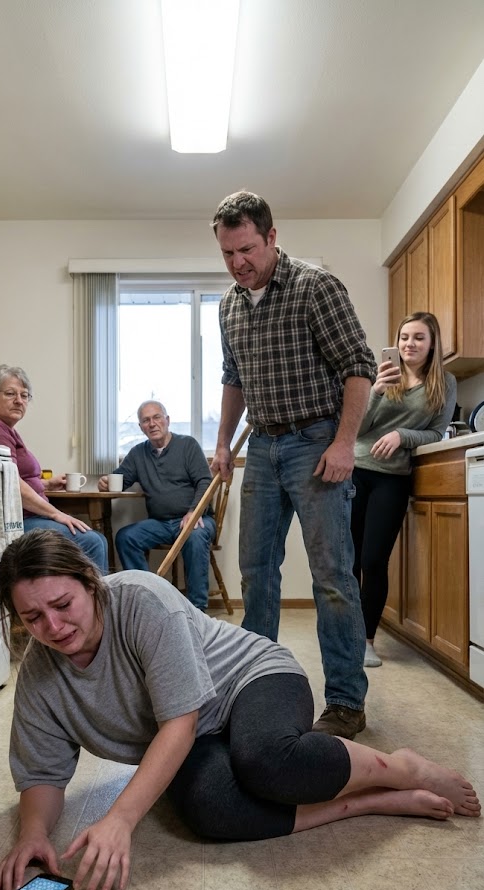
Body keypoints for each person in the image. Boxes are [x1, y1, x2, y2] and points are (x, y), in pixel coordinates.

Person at [0, 531, 480, 890]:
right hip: (193, 731)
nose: (53, 626)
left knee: (268, 760)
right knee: (211, 810)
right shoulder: (40, 673)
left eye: (63, 604)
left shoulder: (141, 601)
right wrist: (34, 835)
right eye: (32, 618)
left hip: (250, 679)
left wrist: (120, 820)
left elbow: (179, 722)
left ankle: (401, 768)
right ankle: (369, 803)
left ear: (90, 583)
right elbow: (43, 774)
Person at [210, 190, 377, 739]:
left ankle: (347, 701)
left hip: (317, 441)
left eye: (248, 250)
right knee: (256, 573)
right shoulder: (229, 304)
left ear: (272, 237)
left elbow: (359, 367)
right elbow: (234, 379)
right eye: (229, 253)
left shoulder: (315, 287)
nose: (239, 264)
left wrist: (345, 442)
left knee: (331, 577)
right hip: (261, 446)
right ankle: (259, 688)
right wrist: (221, 444)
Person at [352, 312, 457, 668]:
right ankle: (346, 637)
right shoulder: (381, 375)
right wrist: (376, 391)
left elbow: (436, 433)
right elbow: (357, 425)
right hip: (354, 471)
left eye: (418, 338)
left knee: (373, 560)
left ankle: (366, 640)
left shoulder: (444, 383)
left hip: (393, 477)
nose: (409, 344)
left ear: (432, 344)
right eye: (404, 337)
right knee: (347, 560)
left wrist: (402, 436)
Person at [0, 364, 108, 573]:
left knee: (99, 540)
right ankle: (95, 603)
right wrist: (56, 514)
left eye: (24, 395)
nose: (19, 401)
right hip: (14, 523)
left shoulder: (5, 429)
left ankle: (87, 601)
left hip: (27, 516)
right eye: (10, 393)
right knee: (92, 542)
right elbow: (10, 483)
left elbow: (10, 476)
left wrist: (47, 484)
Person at [98, 400, 216, 611]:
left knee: (195, 536)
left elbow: (205, 482)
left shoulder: (187, 445)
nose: (152, 424)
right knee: (126, 537)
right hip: (161, 524)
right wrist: (106, 482)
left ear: (167, 420)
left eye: (157, 417)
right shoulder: (137, 453)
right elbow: (121, 480)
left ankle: (198, 609)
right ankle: (150, 601)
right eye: (146, 420)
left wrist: (194, 512)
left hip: (197, 519)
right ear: (141, 427)